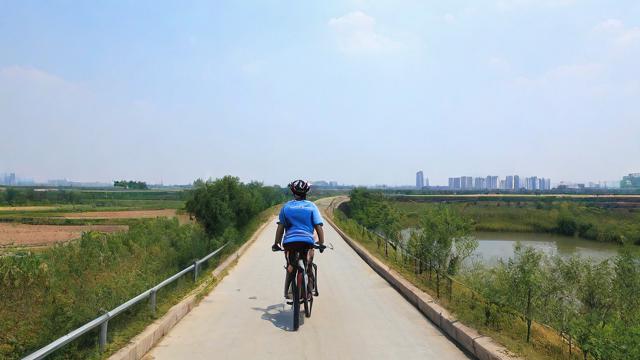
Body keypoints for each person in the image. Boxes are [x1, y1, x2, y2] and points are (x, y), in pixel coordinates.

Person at [272, 179, 325, 299]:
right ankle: (309, 289)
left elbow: (281, 227)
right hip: (307, 242)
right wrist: (321, 243)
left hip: (290, 243)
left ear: (293, 192)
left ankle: (288, 291)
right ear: (307, 192)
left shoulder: (286, 207)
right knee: (308, 264)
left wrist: (276, 243)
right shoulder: (312, 206)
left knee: (291, 266)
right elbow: (318, 226)